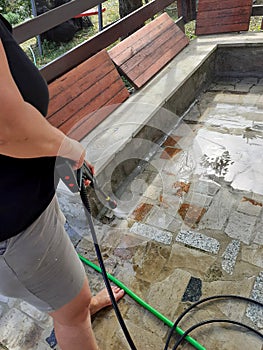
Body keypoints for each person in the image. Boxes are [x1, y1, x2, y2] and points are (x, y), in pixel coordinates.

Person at [0, 13, 124, 350]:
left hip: (24, 207)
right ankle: (74, 312)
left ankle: (75, 305)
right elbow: (6, 127)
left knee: (69, 296)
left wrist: (51, 153)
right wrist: (71, 149)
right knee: (72, 312)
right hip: (16, 230)